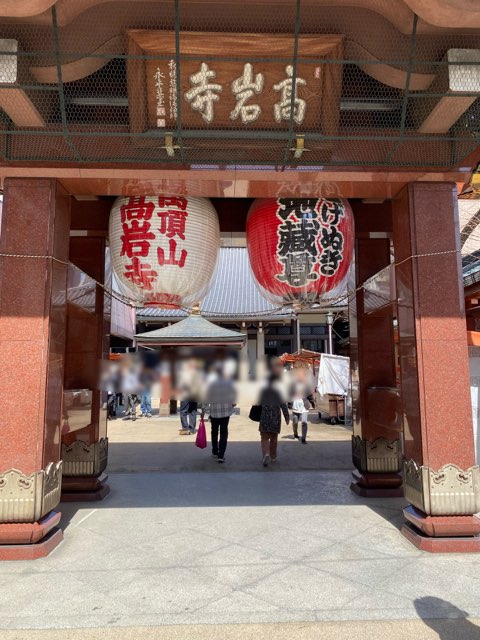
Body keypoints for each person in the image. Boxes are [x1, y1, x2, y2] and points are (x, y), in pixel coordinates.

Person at [258, 361, 290, 467]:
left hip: (265, 417)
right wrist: (287, 416)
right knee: (274, 438)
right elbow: (283, 404)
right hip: (275, 417)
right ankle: (273, 456)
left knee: (264, 438)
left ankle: (266, 454)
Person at [206, 364, 237, 463]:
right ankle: (221, 455)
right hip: (225, 412)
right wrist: (231, 405)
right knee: (224, 433)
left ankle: (215, 451)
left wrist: (204, 410)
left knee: (214, 432)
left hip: (214, 412)